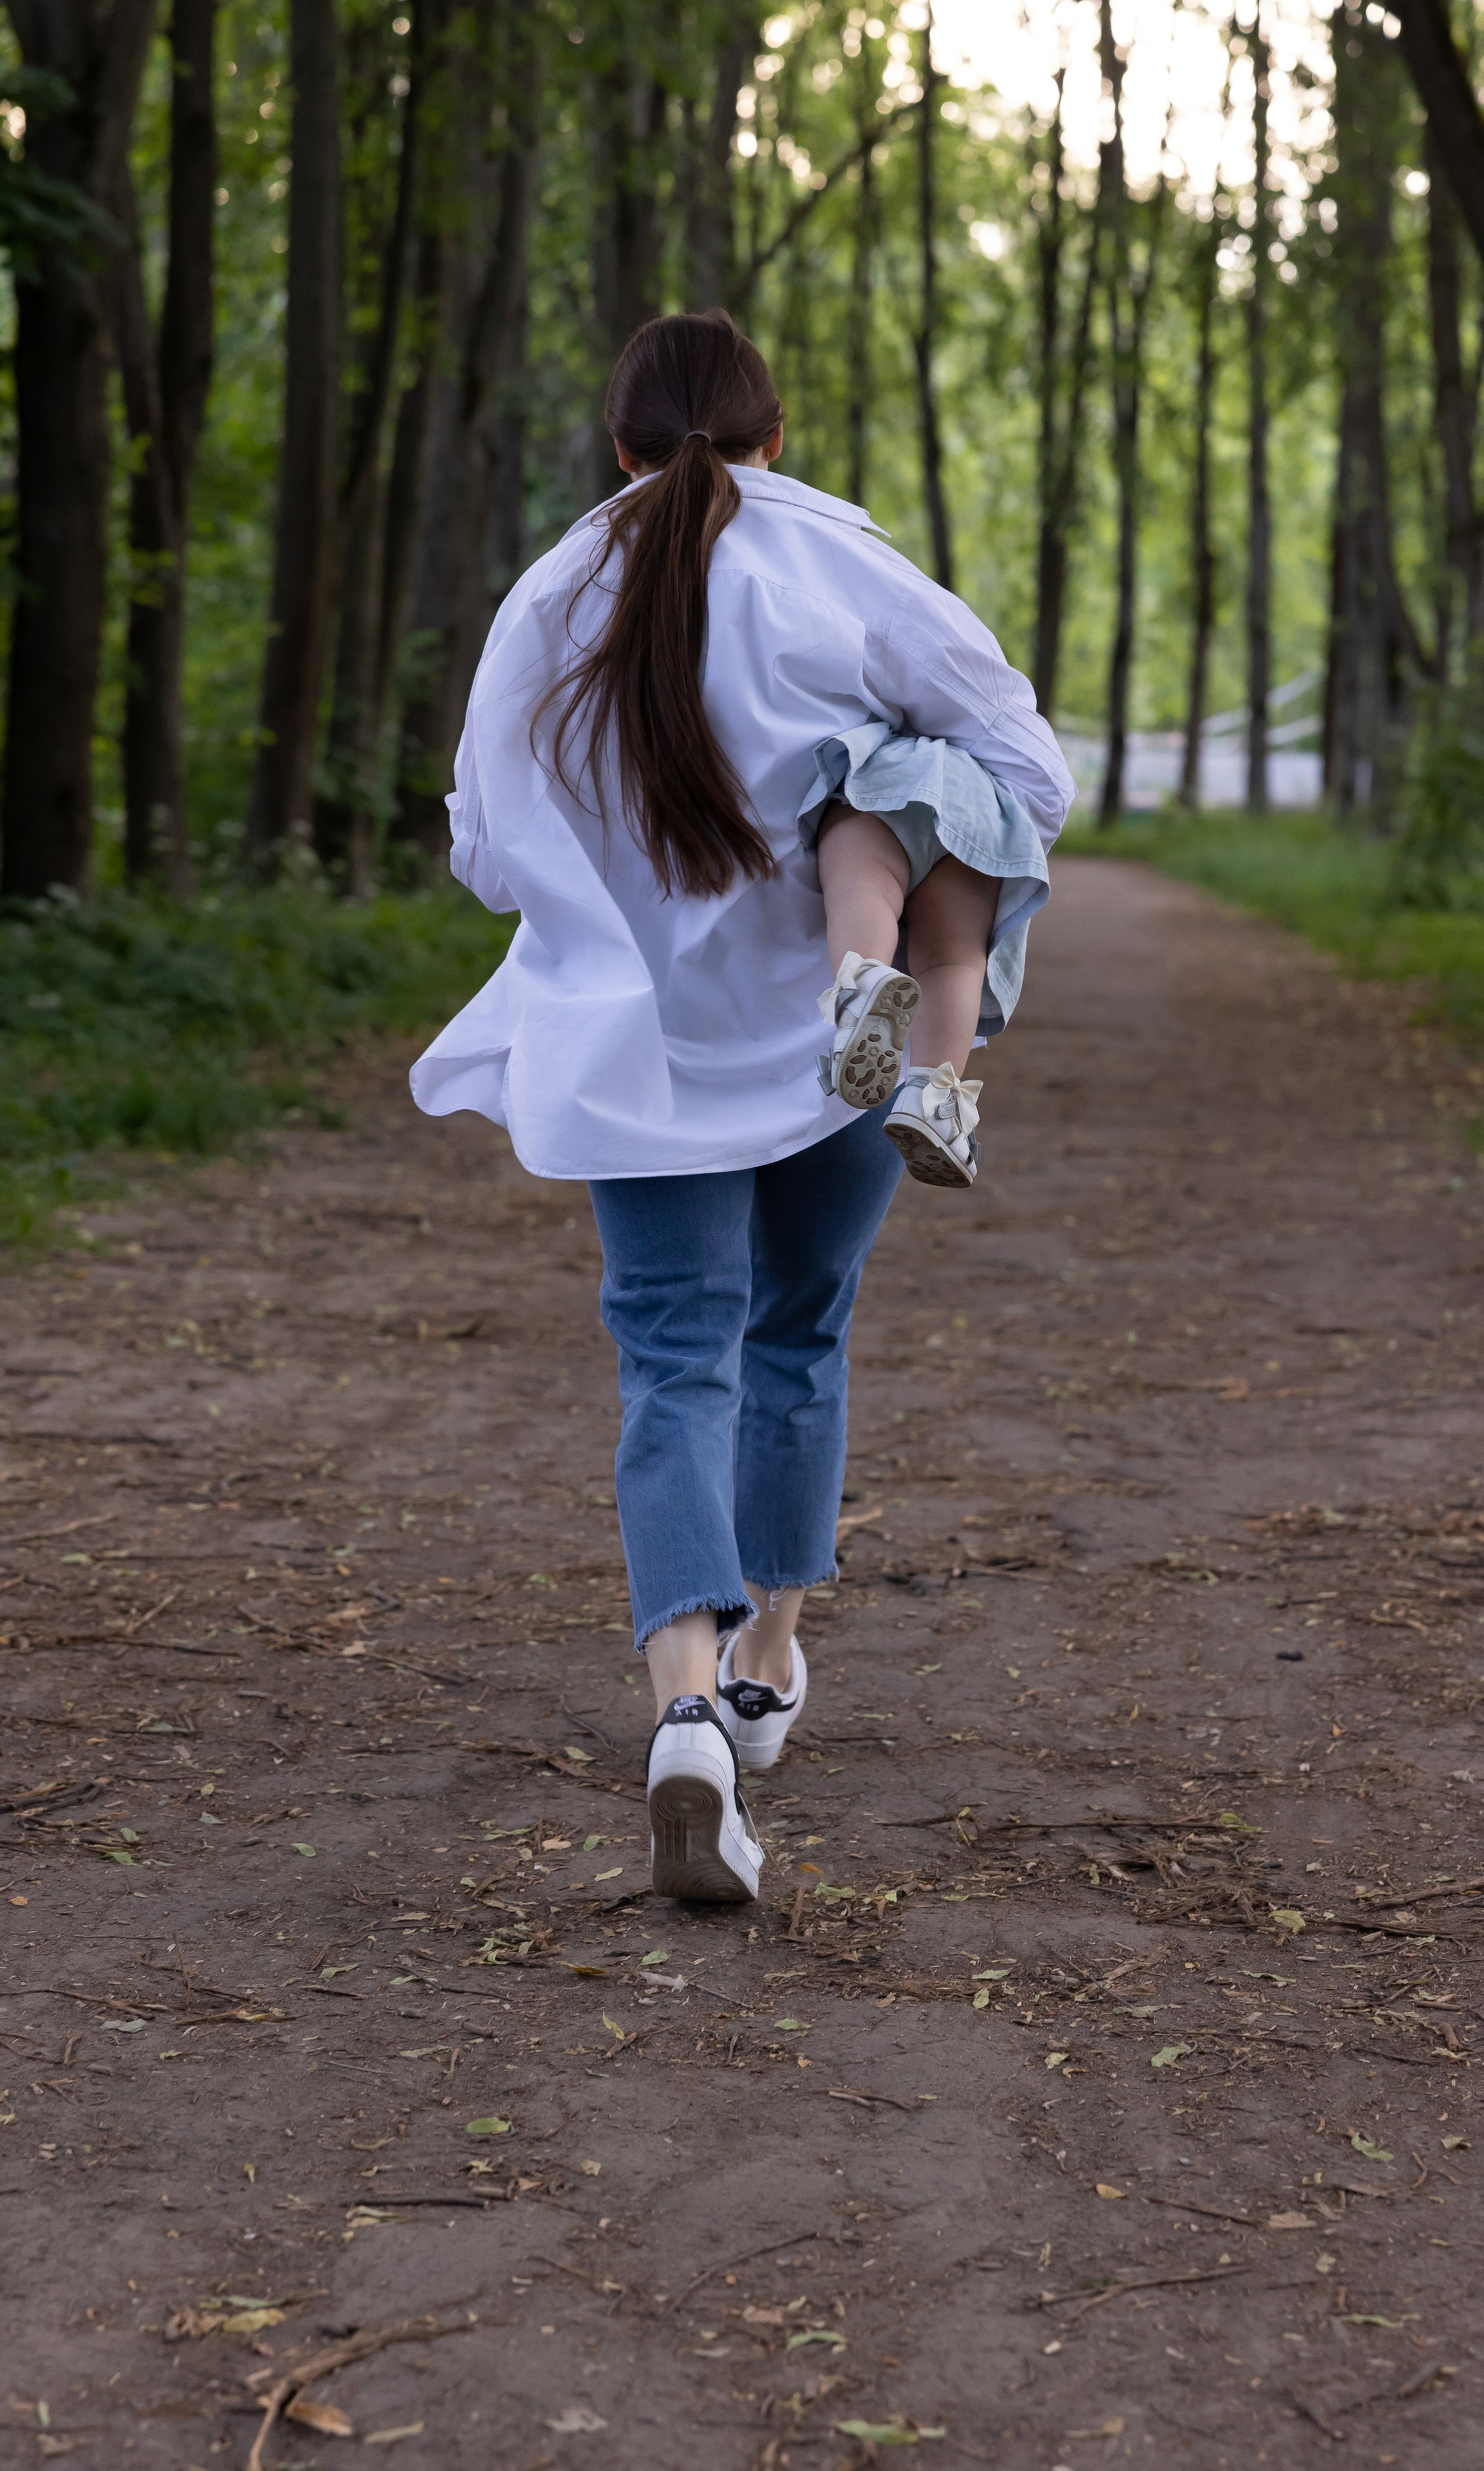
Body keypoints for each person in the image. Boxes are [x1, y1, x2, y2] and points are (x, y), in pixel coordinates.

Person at [410, 310, 1074, 1904]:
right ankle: (772, 1655)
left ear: (619, 449)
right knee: (798, 1328)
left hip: (627, 1052)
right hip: (829, 1042)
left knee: (669, 1359)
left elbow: (488, 849)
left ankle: (685, 1719)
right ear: (771, 439)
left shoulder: (546, 596)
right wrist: (898, 811)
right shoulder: (842, 564)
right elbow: (1021, 757)